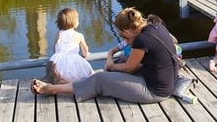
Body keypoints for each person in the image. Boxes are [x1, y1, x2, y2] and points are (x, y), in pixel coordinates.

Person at [31, 7, 179, 104]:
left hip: (155, 91)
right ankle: (67, 83)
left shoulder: (142, 39)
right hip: (168, 81)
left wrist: (112, 65)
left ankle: (52, 89)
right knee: (119, 61)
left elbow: (128, 68)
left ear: (127, 31)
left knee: (100, 78)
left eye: (124, 36)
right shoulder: (155, 25)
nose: (125, 41)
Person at [104, 14, 182, 67]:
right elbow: (112, 50)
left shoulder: (152, 38)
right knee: (120, 60)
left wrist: (166, 35)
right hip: (134, 62)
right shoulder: (129, 41)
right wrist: (109, 60)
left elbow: (175, 41)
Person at [44, 7, 94, 84]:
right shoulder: (79, 35)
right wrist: (86, 54)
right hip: (72, 60)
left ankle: (60, 80)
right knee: (84, 75)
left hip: (57, 60)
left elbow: (54, 50)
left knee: (55, 70)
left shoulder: (58, 34)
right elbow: (85, 52)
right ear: (74, 22)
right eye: (77, 19)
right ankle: (70, 82)